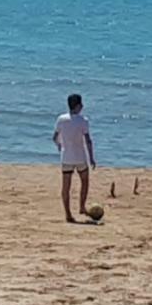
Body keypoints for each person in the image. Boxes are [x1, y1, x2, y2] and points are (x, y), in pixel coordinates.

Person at [53, 93, 96, 223]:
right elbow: (88, 141)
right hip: (80, 156)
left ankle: (68, 213)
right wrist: (92, 158)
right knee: (84, 181)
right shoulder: (83, 121)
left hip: (66, 156)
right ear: (77, 106)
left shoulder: (61, 119)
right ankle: (82, 206)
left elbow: (54, 137)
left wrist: (59, 145)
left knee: (66, 186)